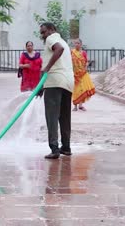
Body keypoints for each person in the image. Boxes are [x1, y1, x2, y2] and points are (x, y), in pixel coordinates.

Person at [38, 22, 74, 159]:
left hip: (55, 82)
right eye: (41, 33)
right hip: (68, 82)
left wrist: (46, 68)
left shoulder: (51, 39)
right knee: (64, 117)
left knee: (52, 117)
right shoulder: (64, 41)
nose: (43, 35)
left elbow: (58, 50)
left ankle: (54, 149)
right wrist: (42, 86)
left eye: (44, 32)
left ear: (52, 30)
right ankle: (66, 147)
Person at [71, 39, 95, 111]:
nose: (76, 44)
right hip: (74, 74)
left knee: (83, 89)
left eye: (78, 43)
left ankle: (80, 105)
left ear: (81, 44)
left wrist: (85, 68)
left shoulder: (83, 53)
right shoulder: (72, 52)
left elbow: (86, 62)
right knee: (75, 90)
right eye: (75, 43)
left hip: (82, 73)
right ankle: (75, 106)